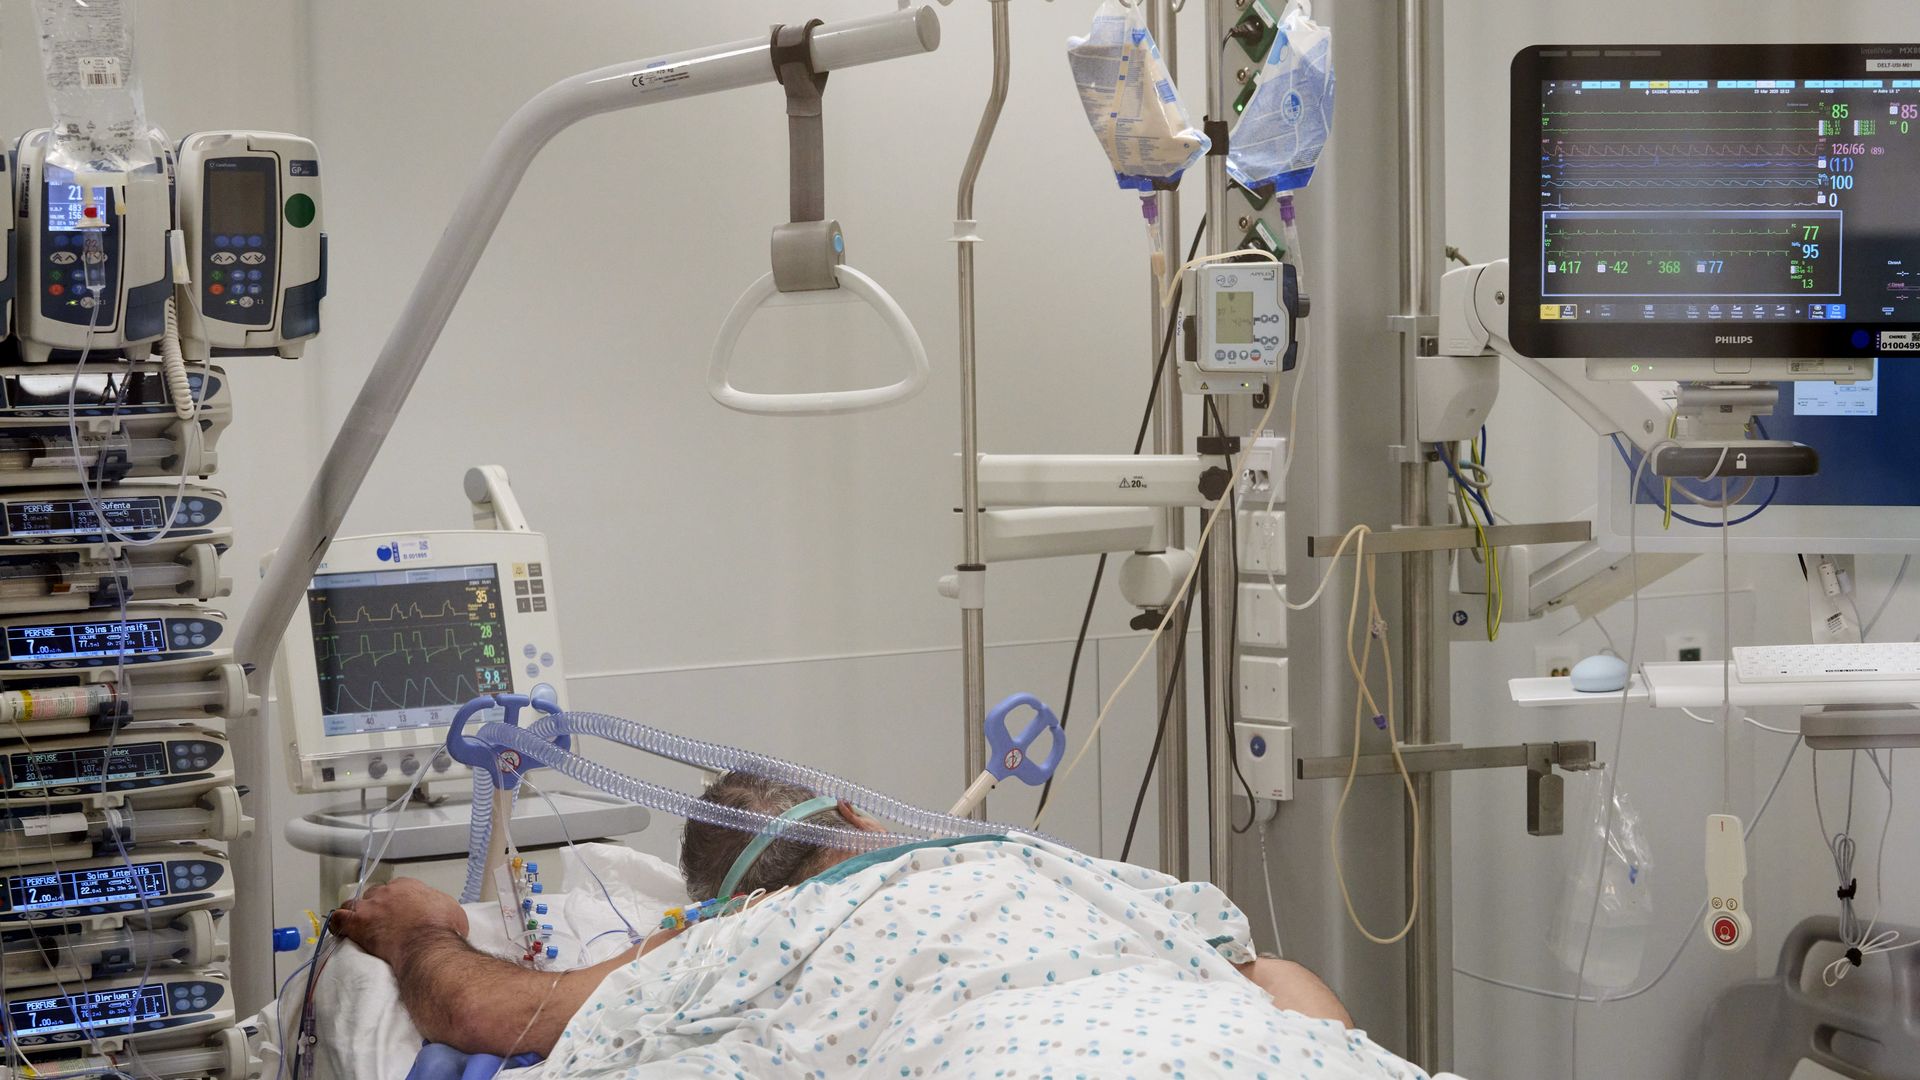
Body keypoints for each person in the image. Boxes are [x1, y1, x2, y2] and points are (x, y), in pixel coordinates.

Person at [331, 770, 1352, 1061]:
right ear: (860, 819)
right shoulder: (1044, 865)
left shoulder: (737, 943)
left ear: (706, 907)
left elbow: (490, 1015)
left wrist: (419, 928)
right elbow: (1284, 985)